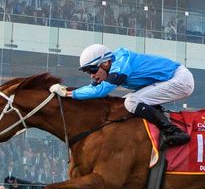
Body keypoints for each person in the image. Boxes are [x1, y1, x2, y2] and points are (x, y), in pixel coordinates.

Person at [49, 44, 194, 148]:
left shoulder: (121, 65)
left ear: (105, 63)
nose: (92, 75)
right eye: (88, 72)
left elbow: (101, 91)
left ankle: (174, 132)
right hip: (170, 78)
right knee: (128, 102)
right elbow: (94, 86)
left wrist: (68, 93)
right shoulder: (112, 64)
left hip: (180, 79)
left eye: (92, 69)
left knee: (132, 101)